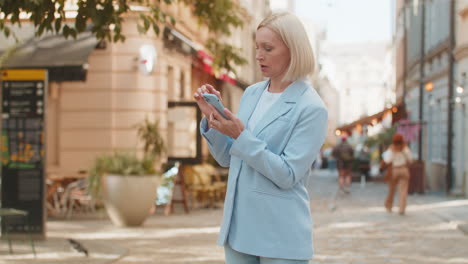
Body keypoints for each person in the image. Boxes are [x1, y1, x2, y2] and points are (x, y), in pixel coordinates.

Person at [193, 12, 328, 264]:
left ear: (293, 50)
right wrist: (213, 120)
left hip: (280, 236)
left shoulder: (311, 108)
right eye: (257, 47)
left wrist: (240, 136)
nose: (258, 55)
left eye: (268, 48)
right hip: (238, 229)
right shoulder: (252, 93)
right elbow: (227, 158)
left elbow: (288, 174)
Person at [382, 133, 413, 215]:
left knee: (392, 189)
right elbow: (410, 159)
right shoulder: (405, 148)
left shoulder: (392, 149)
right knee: (403, 190)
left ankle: (389, 206)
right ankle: (402, 208)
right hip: (404, 169)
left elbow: (387, 160)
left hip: (394, 170)